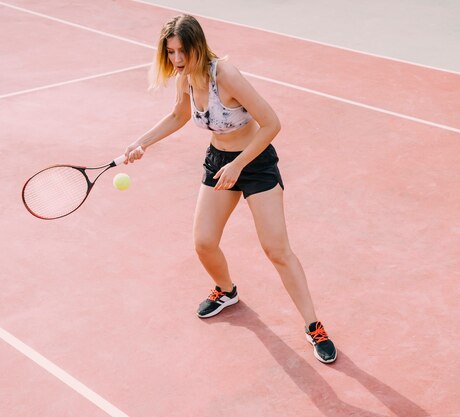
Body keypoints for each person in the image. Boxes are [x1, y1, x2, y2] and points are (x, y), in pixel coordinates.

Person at [123, 15, 336, 364]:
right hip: (218, 162)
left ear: (197, 46)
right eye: (171, 52)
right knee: (204, 242)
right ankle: (226, 291)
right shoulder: (186, 77)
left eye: (182, 51)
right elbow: (178, 116)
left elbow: (271, 123)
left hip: (255, 163)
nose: (176, 59)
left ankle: (314, 326)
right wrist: (142, 142)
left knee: (277, 250)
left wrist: (239, 165)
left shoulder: (225, 74)